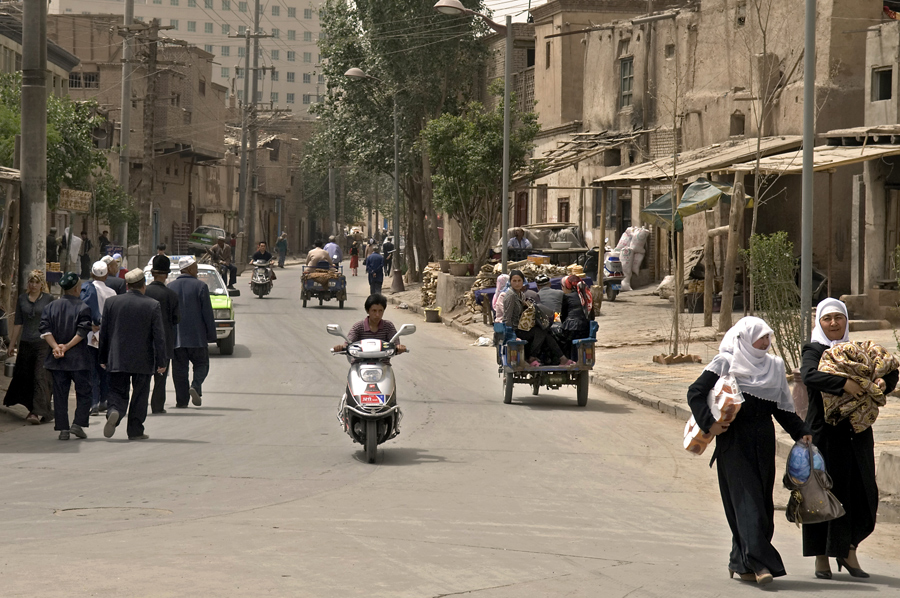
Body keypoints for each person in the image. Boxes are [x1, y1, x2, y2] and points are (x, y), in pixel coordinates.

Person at [687, 317, 812, 585]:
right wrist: (710, 425)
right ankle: (761, 564)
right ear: (744, 339)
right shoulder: (725, 362)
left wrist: (801, 431)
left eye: (768, 337)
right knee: (748, 504)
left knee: (763, 506)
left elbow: (781, 408)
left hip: (764, 443)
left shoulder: (775, 366)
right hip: (734, 443)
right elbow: (695, 392)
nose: (766, 343)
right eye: (761, 338)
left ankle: (739, 560)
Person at [801, 298, 898, 579]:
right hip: (825, 434)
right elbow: (809, 375)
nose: (833, 323)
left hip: (856, 434)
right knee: (822, 495)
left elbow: (888, 370)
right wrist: (845, 383)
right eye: (827, 319)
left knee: (860, 492)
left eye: (838, 318)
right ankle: (822, 557)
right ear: (819, 323)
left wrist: (882, 382)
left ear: (845, 321)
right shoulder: (813, 349)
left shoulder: (857, 351)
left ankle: (849, 550)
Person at [98, 269, 167, 440]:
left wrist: (102, 358)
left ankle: (114, 410)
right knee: (140, 394)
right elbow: (159, 336)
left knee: (117, 390)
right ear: (143, 285)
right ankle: (135, 430)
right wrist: (161, 361)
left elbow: (104, 333)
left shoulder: (111, 302)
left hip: (117, 357)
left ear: (127, 286)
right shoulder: (152, 305)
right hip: (143, 359)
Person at [40, 272, 93, 440]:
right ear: (77, 289)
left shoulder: (50, 307)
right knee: (84, 392)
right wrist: (67, 346)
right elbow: (82, 331)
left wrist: (56, 347)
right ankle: (78, 424)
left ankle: (63, 429)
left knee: (60, 394)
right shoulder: (83, 307)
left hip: (57, 360)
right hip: (78, 360)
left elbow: (44, 329)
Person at [3, 270, 54, 424]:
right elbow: (18, 323)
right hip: (25, 343)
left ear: (42, 284)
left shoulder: (49, 299)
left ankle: (35, 413)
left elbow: (53, 322)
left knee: (40, 376)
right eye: (31, 282)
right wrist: (12, 344)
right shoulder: (22, 299)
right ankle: (40, 409)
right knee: (26, 377)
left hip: (42, 343)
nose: (33, 285)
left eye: (37, 282)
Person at [168, 256, 217, 409]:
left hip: (177, 338)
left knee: (179, 370)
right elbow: (207, 314)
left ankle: (182, 401)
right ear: (189, 269)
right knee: (202, 364)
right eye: (195, 267)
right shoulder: (201, 287)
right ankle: (196, 386)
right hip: (197, 337)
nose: (197, 270)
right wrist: (211, 335)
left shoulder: (170, 287)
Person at [502, 270, 571, 367]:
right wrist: (511, 336)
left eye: (519, 281)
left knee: (544, 330)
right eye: (514, 281)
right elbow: (507, 318)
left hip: (523, 327)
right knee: (541, 331)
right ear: (510, 282)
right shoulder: (511, 296)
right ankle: (532, 357)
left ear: (523, 281)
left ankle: (561, 358)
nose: (517, 283)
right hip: (515, 330)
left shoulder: (520, 294)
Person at [144, 255, 181, 414]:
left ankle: (140, 405)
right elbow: (176, 319)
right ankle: (157, 406)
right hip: (164, 342)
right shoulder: (171, 295)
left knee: (144, 377)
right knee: (161, 377)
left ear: (152, 273)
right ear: (166, 274)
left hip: (143, 341)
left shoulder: (143, 292)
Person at [80, 260, 116, 415]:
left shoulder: (87, 289)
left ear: (92, 274)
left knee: (92, 370)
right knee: (105, 369)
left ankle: (93, 403)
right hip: (106, 336)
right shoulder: (112, 293)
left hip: (89, 335)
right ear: (106, 274)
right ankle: (104, 400)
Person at [332, 294, 406, 354]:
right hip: (359, 365)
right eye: (374, 311)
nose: (377, 314)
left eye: (380, 311)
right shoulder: (358, 327)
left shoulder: (388, 326)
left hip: (383, 366)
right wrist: (341, 347)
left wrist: (399, 348)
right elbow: (348, 343)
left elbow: (396, 344)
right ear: (368, 311)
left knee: (389, 373)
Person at [557, 275, 594, 357]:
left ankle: (565, 360)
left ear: (567, 286)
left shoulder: (567, 297)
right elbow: (592, 314)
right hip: (585, 328)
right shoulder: (587, 295)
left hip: (571, 327)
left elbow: (563, 315)